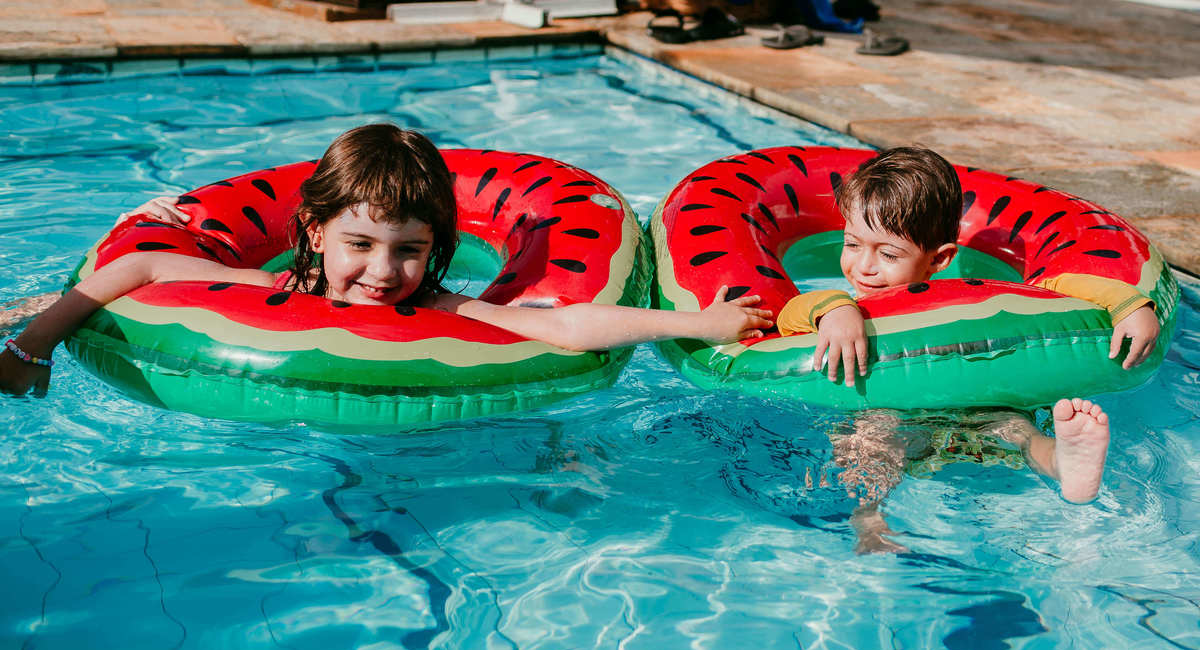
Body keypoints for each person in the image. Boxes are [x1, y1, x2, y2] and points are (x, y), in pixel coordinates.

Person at [0, 123, 772, 396]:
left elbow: (563, 324)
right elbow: (137, 270)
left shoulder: (437, 310)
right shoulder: (272, 285)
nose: (382, 272)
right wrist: (33, 346)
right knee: (33, 307)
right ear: (312, 233)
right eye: (360, 245)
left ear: (439, 248)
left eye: (410, 250)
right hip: (223, 294)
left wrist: (699, 321)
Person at [776, 146, 1157, 553]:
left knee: (1015, 427)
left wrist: (1133, 305)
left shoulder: (959, 300)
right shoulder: (842, 305)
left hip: (972, 401)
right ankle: (870, 520)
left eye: (888, 254)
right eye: (852, 245)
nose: (864, 267)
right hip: (890, 412)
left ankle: (1065, 463)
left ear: (940, 259)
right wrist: (833, 309)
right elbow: (789, 318)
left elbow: (1059, 286)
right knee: (869, 437)